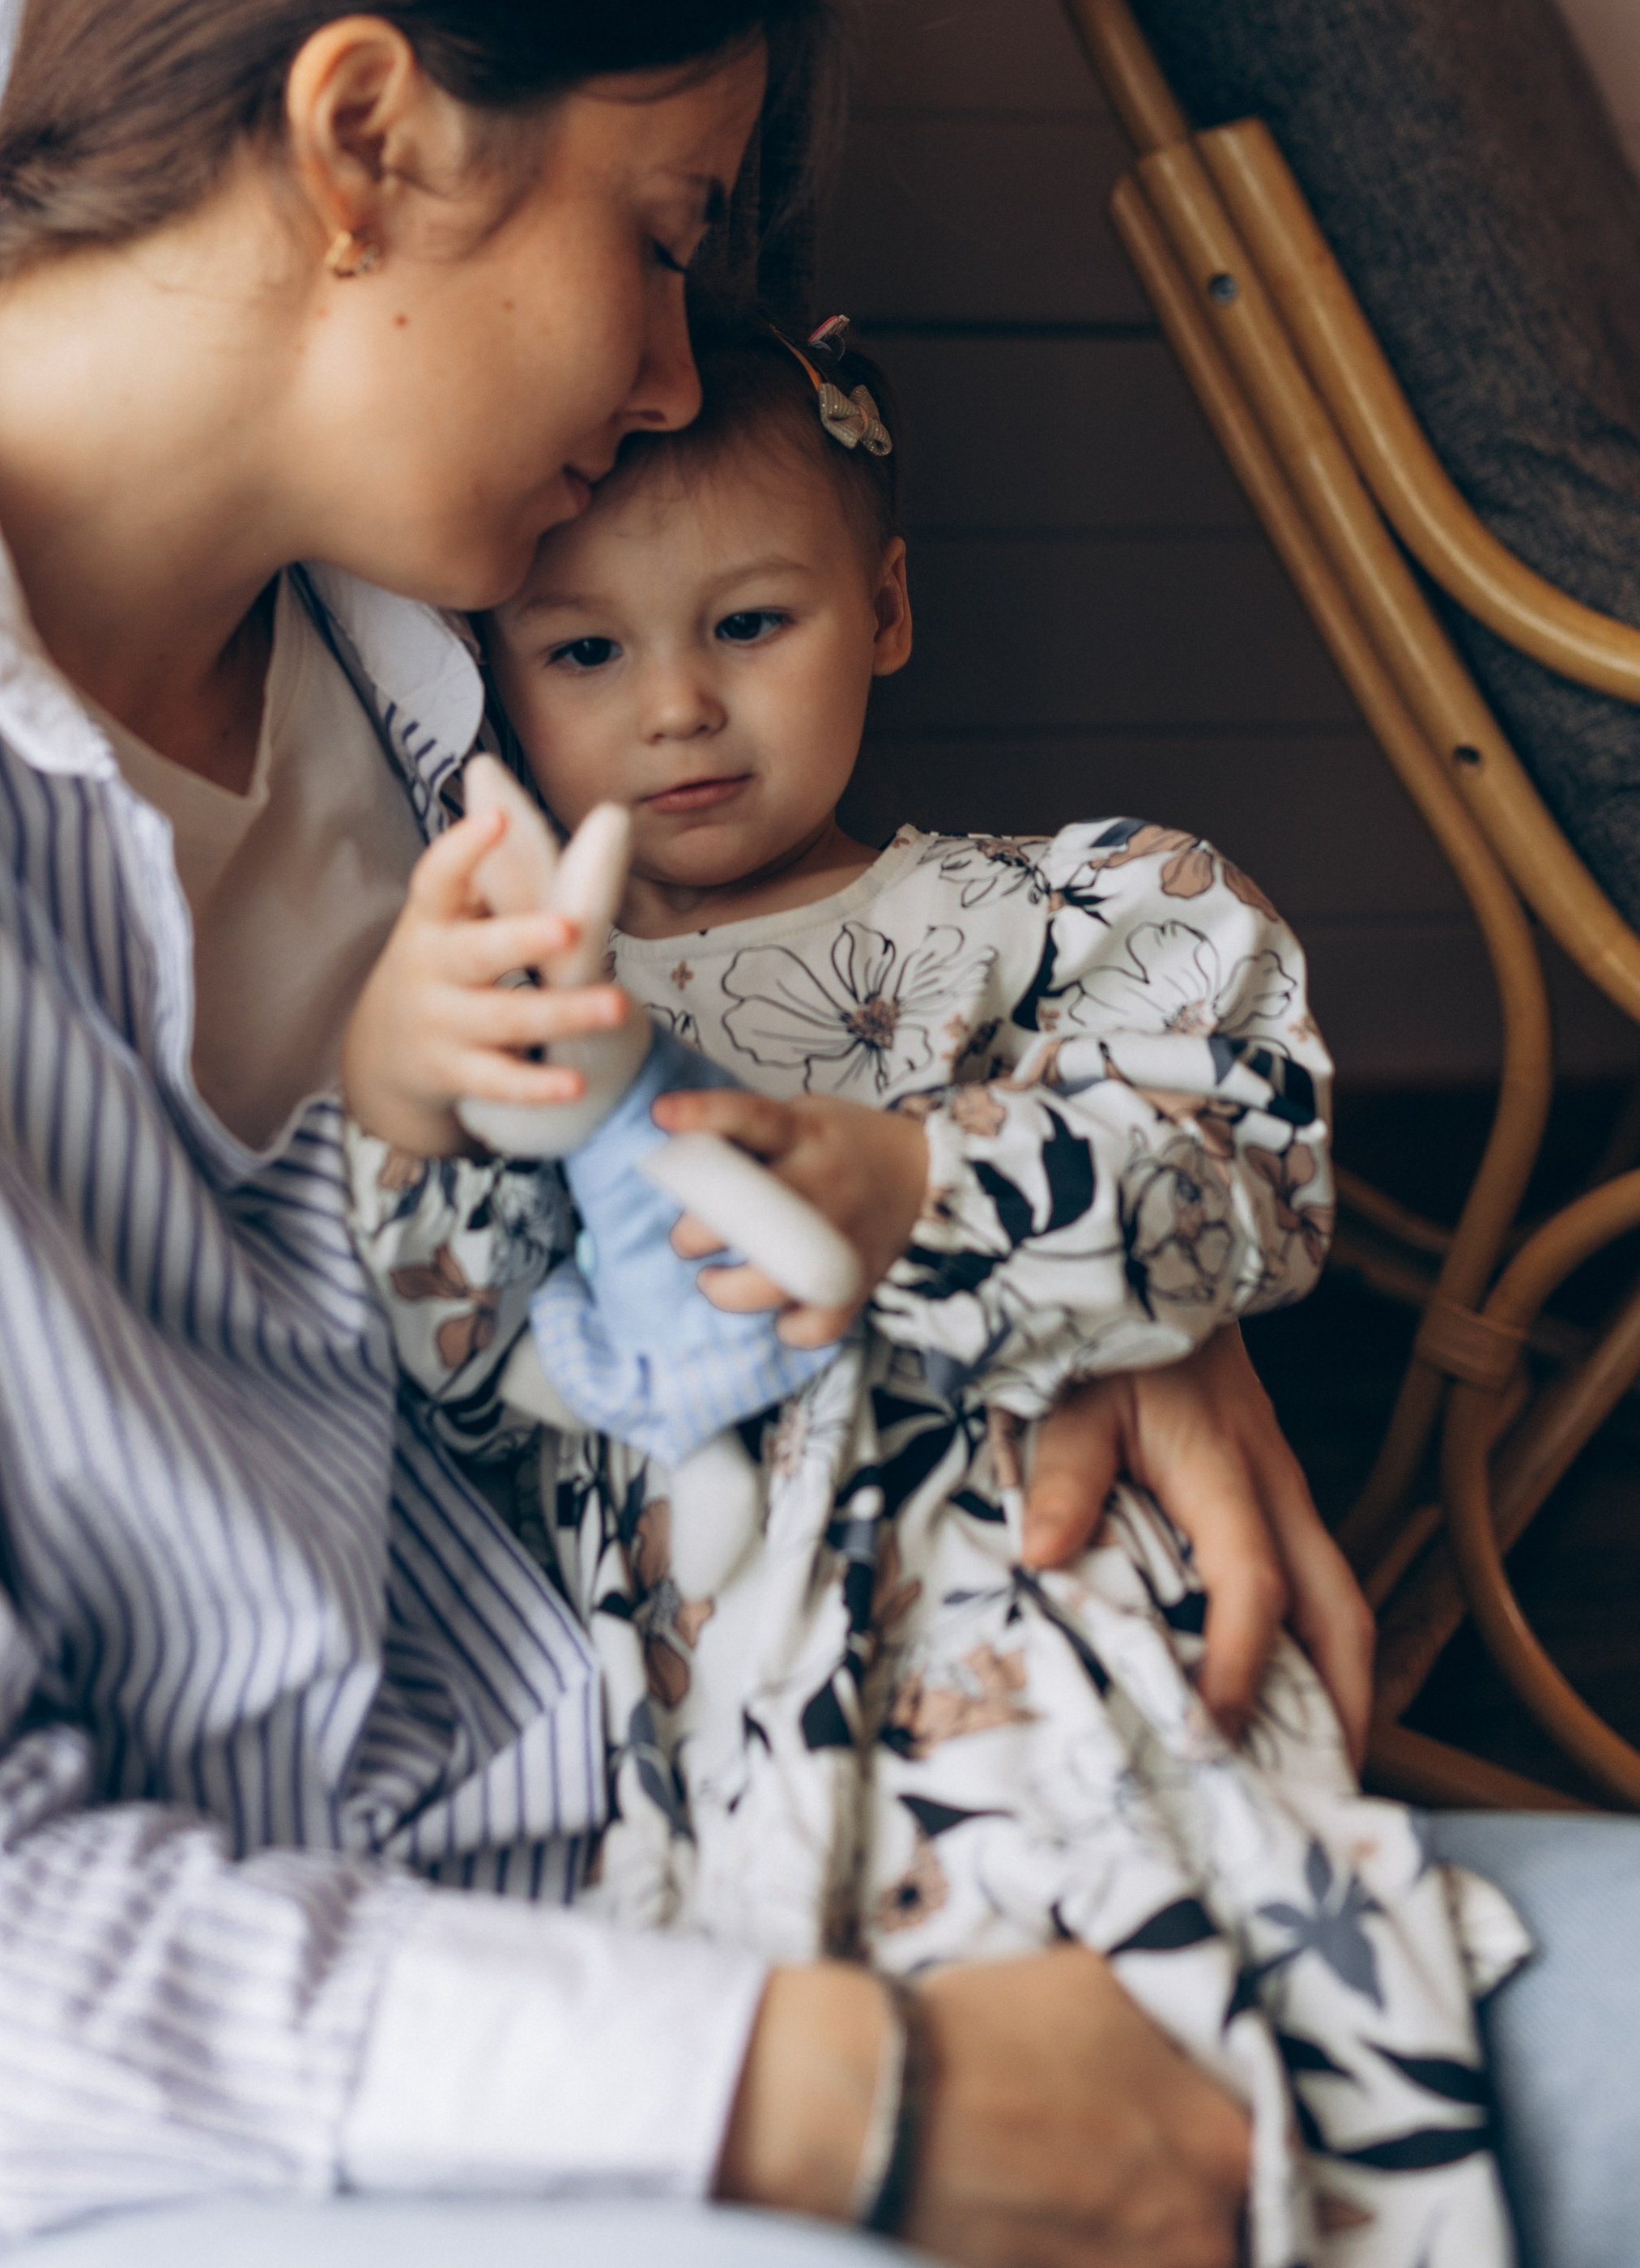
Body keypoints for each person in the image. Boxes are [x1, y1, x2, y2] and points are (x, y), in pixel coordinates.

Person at [0, 0, 1640, 2268]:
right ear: (364, 141)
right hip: (327, 2089)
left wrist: (1079, 1293)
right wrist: (850, 2094)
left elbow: (739, 1201)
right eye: (661, 237)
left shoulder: (459, 701)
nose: (678, 377)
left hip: (860, 1823)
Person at [341, 313, 1528, 2268]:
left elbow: (1240, 1186)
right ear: (493, 673)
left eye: (749, 623)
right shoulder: (535, 994)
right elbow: (458, 1377)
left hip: (1036, 1626)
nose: (677, 709)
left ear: (882, 608)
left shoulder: (1064, 915)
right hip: (679, 1711)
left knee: (1213, 2057)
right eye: (583, 651)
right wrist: (405, 1105)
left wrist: (916, 1182)